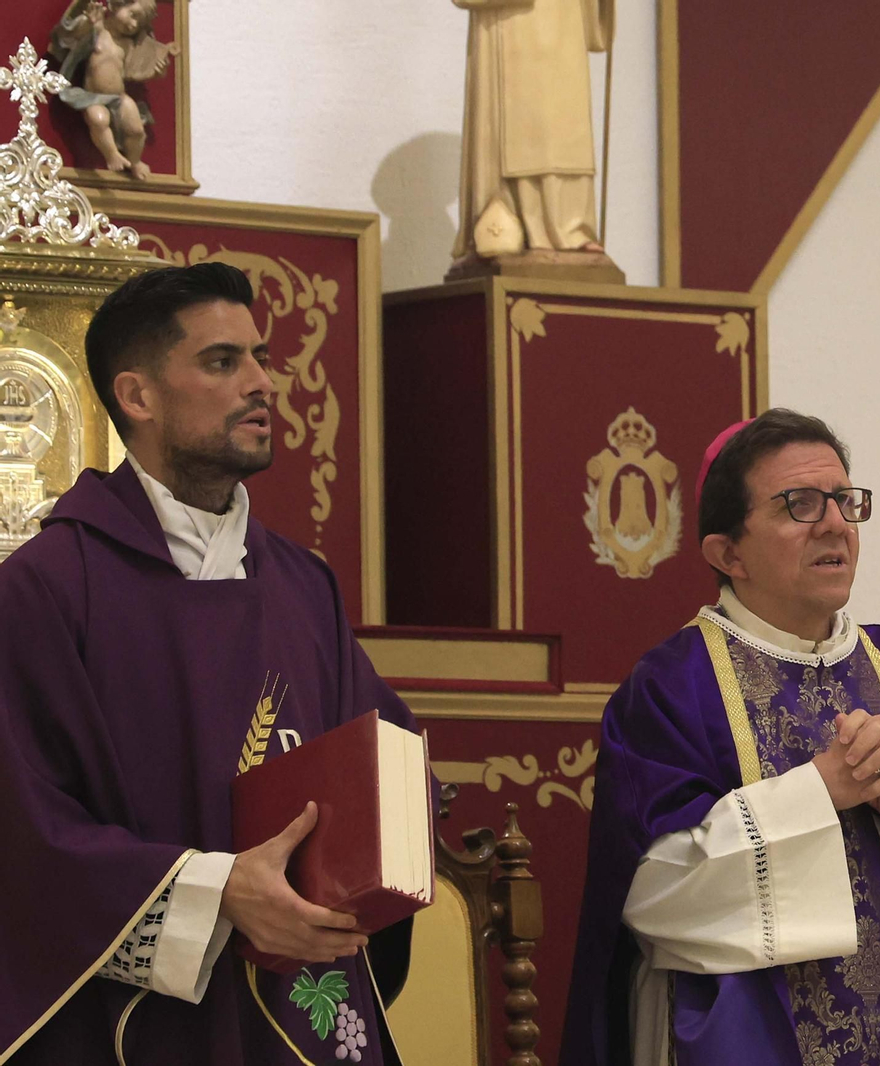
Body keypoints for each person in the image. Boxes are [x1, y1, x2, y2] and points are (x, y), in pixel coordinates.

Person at [0, 264, 416, 1065]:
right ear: (138, 396)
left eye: (260, 357)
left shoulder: (301, 583)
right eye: (223, 362)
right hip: (132, 1021)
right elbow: (23, 832)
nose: (263, 383)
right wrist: (218, 892)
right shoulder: (45, 590)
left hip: (297, 997)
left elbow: (383, 757)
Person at [562, 409, 880, 1066]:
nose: (836, 523)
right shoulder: (675, 687)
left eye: (844, 501)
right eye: (799, 505)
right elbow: (654, 894)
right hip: (740, 1041)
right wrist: (818, 791)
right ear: (728, 554)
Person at [451, 0, 614, 259]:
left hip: (564, 25)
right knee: (527, 121)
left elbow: (596, 30)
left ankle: (571, 227)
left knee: (566, 124)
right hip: (512, 25)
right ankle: (521, 223)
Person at [50, 0, 178, 181]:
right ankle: (112, 155)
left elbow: (138, 69)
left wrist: (158, 70)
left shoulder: (128, 44)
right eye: (133, 15)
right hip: (92, 97)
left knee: (136, 129)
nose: (133, 24)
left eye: (139, 24)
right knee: (98, 119)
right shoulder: (98, 31)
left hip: (119, 96)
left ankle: (134, 161)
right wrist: (88, 22)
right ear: (116, 5)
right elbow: (74, 36)